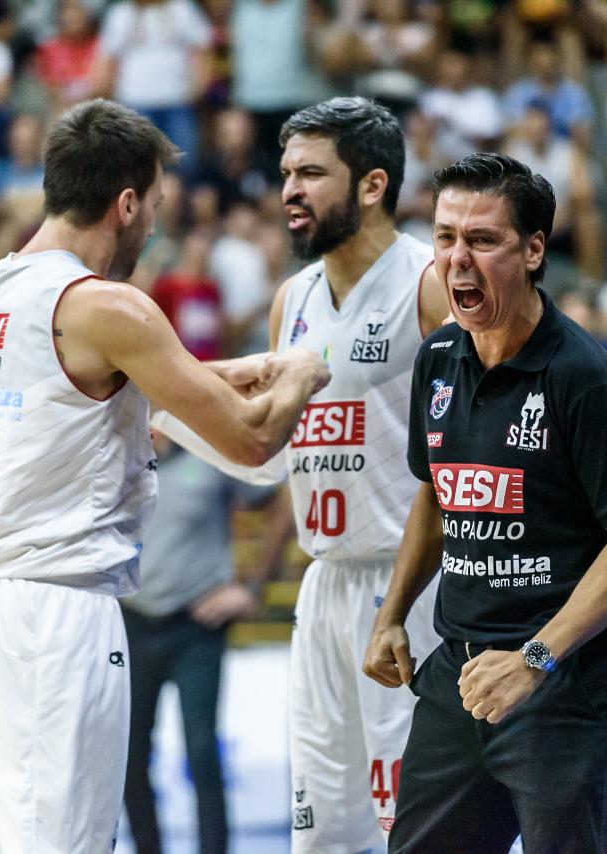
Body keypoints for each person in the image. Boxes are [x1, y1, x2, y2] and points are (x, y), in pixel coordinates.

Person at [0, 98, 329, 854]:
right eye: (153, 208)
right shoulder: (109, 306)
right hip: (52, 613)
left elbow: (90, 410)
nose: (154, 227)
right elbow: (251, 443)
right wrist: (303, 370)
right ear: (124, 202)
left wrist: (231, 372)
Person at [155, 96, 450, 852]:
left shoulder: (431, 282)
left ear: (373, 185)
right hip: (325, 584)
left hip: (413, 583)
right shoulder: (293, 298)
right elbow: (277, 455)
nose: (289, 189)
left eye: (312, 173)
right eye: (286, 172)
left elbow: (466, 450)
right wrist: (159, 415)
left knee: (411, 824)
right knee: (319, 831)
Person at [365, 153, 607, 853]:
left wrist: (534, 659)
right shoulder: (439, 360)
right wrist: (391, 614)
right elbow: (437, 497)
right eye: (445, 238)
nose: (458, 260)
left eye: (483, 240)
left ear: (534, 251)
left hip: (566, 681)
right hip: (461, 674)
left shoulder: (591, 383)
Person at [122, 429, 278, 854]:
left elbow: (282, 499)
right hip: (132, 621)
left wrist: (252, 587)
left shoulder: (208, 454)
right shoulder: (116, 457)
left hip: (198, 623)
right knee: (130, 757)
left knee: (203, 751)